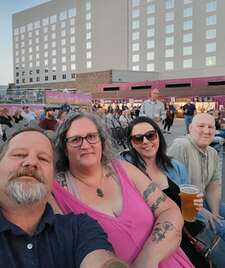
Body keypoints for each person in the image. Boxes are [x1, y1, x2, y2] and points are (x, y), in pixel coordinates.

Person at [52, 111, 194, 268]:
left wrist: (147, 260)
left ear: (102, 141)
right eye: (75, 140)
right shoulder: (56, 192)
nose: (85, 145)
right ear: (64, 148)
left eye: (92, 136)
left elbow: (170, 210)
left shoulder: (123, 169)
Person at [0, 128, 127, 268]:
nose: (31, 162)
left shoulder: (79, 228)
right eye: (19, 154)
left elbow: (99, 259)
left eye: (43, 158)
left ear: (53, 177)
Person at [120, 116, 211, 267]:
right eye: (138, 138)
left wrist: (196, 205)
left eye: (150, 135)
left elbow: (191, 205)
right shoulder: (127, 171)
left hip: (190, 231)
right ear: (131, 143)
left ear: (158, 136)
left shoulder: (175, 166)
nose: (146, 142)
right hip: (159, 238)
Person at [168, 113, 225, 239]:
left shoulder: (212, 152)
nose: (206, 130)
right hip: (184, 206)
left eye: (211, 127)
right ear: (190, 128)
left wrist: (214, 213)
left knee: (219, 216)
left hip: (204, 200)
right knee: (222, 228)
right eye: (201, 126)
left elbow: (212, 186)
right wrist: (203, 212)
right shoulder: (181, 146)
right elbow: (170, 190)